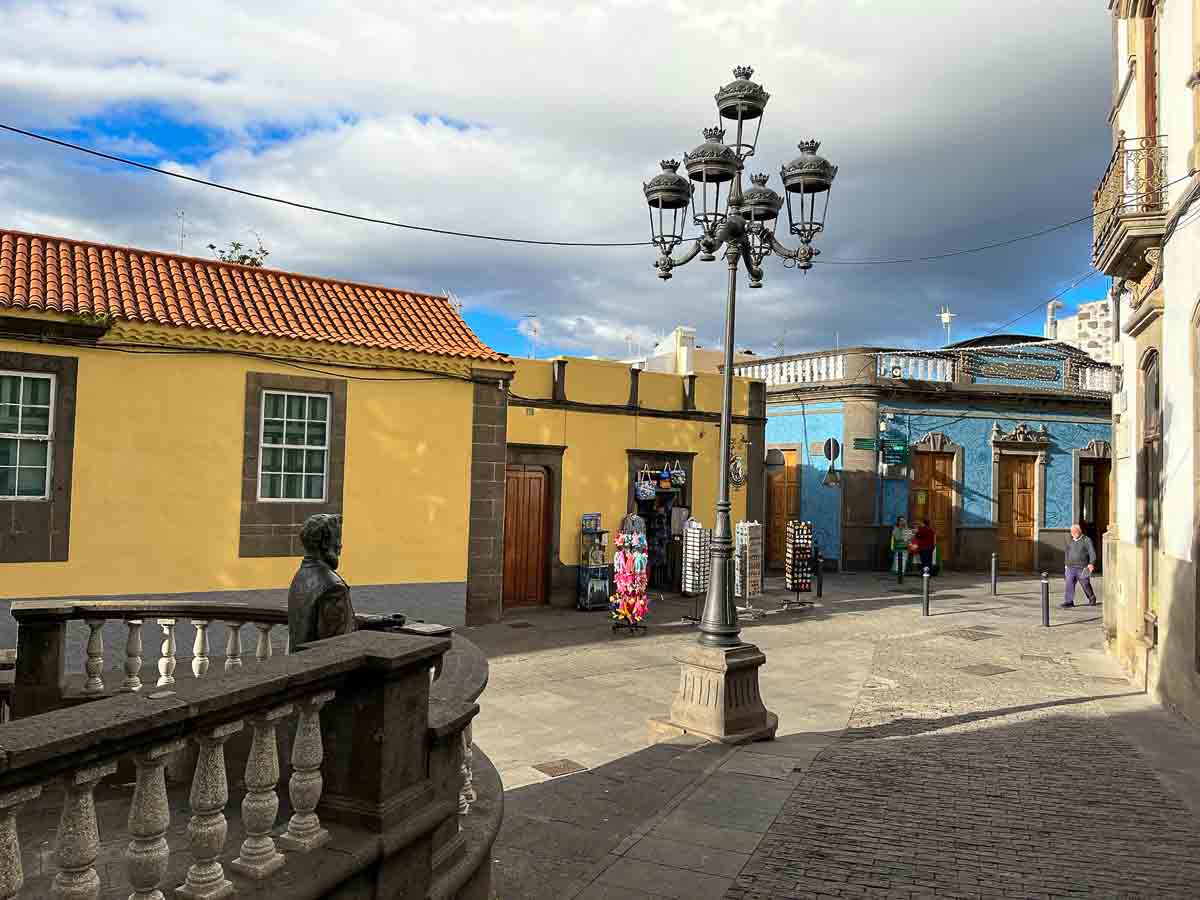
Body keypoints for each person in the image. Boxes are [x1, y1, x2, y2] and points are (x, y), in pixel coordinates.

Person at [1061, 523, 1098, 608]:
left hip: (1082, 567)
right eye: (1072, 532)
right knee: (1069, 583)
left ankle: (1091, 597)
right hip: (1070, 567)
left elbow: (1092, 552)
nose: (1073, 534)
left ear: (1079, 531)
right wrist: (1066, 564)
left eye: (1075, 532)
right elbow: (1067, 552)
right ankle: (1069, 601)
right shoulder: (1069, 539)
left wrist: (1091, 563)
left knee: (1085, 583)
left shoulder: (1086, 540)